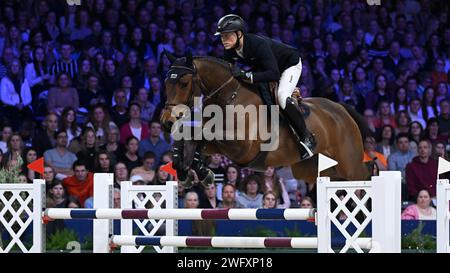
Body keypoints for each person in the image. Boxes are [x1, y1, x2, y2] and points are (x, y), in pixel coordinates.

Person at [215, 14, 315, 160]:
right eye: (221, 36)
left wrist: (247, 75)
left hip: (288, 65)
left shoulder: (257, 44)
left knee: (281, 97)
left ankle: (306, 137)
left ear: (239, 33)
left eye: (226, 36)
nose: (223, 40)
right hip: (265, 67)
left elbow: (273, 74)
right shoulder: (229, 50)